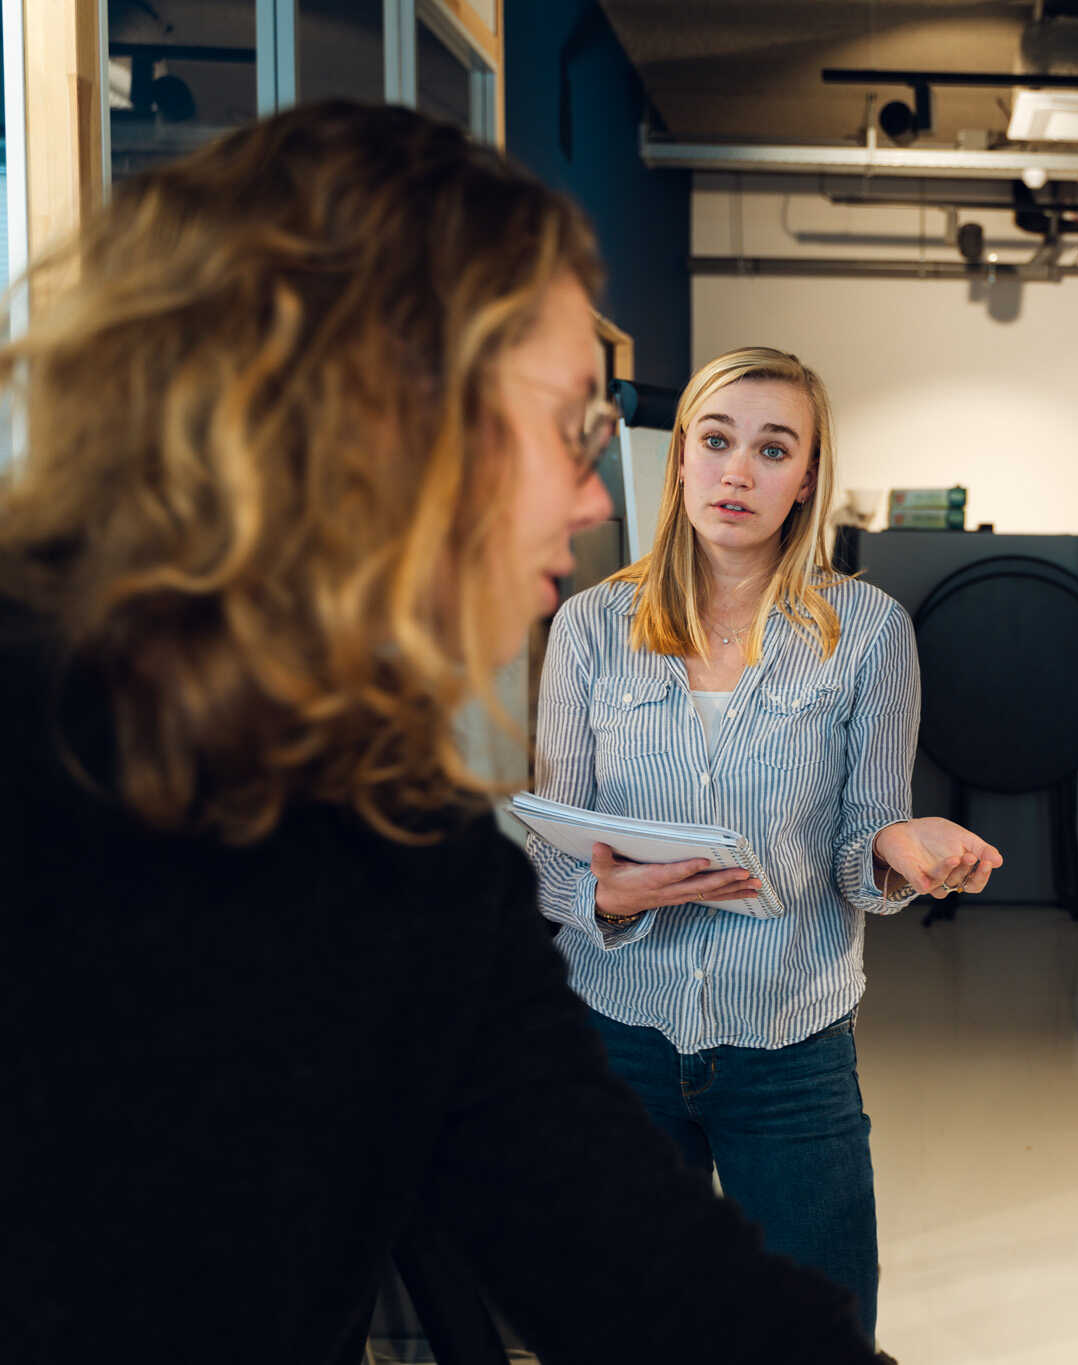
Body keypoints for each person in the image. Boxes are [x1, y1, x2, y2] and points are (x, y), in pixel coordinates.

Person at [0, 102, 883, 1364]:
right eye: (574, 426)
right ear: (381, 410)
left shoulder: (406, 857)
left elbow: (651, 1280)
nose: (593, 499)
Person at [527, 345, 1000, 1341]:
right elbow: (548, 844)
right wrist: (608, 898)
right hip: (616, 1038)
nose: (738, 471)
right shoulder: (588, 628)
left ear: (806, 480)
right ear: (680, 461)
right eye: (716, 441)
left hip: (789, 1041)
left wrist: (900, 851)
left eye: (772, 449)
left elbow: (863, 830)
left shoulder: (868, 633)